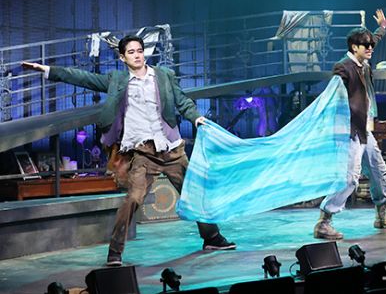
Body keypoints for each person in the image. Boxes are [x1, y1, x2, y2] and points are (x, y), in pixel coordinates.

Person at [22, 35, 235, 266]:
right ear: (123, 57)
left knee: (193, 193)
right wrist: (47, 70)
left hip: (171, 149)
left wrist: (196, 118)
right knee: (133, 199)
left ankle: (212, 237)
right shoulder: (117, 80)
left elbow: (182, 101)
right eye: (131, 52)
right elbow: (82, 78)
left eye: (140, 50)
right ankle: (115, 252)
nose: (137, 55)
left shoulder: (164, 75)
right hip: (143, 154)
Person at [314, 9, 386, 240]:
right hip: (350, 131)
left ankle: (382, 215)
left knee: (379, 171)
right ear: (354, 47)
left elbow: (374, 39)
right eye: (366, 46)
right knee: (350, 178)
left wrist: (382, 28)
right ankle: (324, 221)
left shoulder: (363, 62)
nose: (371, 48)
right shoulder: (344, 67)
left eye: (371, 45)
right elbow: (335, 95)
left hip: (365, 129)